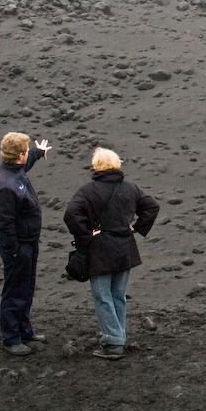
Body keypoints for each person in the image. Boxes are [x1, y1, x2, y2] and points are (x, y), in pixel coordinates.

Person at [64, 147, 160, 359]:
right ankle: (119, 336)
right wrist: (136, 227)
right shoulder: (130, 188)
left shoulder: (88, 191)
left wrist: (87, 235)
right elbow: (152, 206)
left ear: (97, 166)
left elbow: (71, 214)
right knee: (118, 295)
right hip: (125, 248)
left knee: (102, 296)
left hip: (100, 251)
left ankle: (113, 341)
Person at [0, 132, 52, 356]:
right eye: (26, 151)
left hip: (27, 243)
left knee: (26, 288)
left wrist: (38, 152)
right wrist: (13, 252)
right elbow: (3, 224)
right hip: (19, 247)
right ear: (19, 155)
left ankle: (24, 330)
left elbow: (25, 165)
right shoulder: (6, 185)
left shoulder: (12, 170)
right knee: (15, 292)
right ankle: (11, 338)